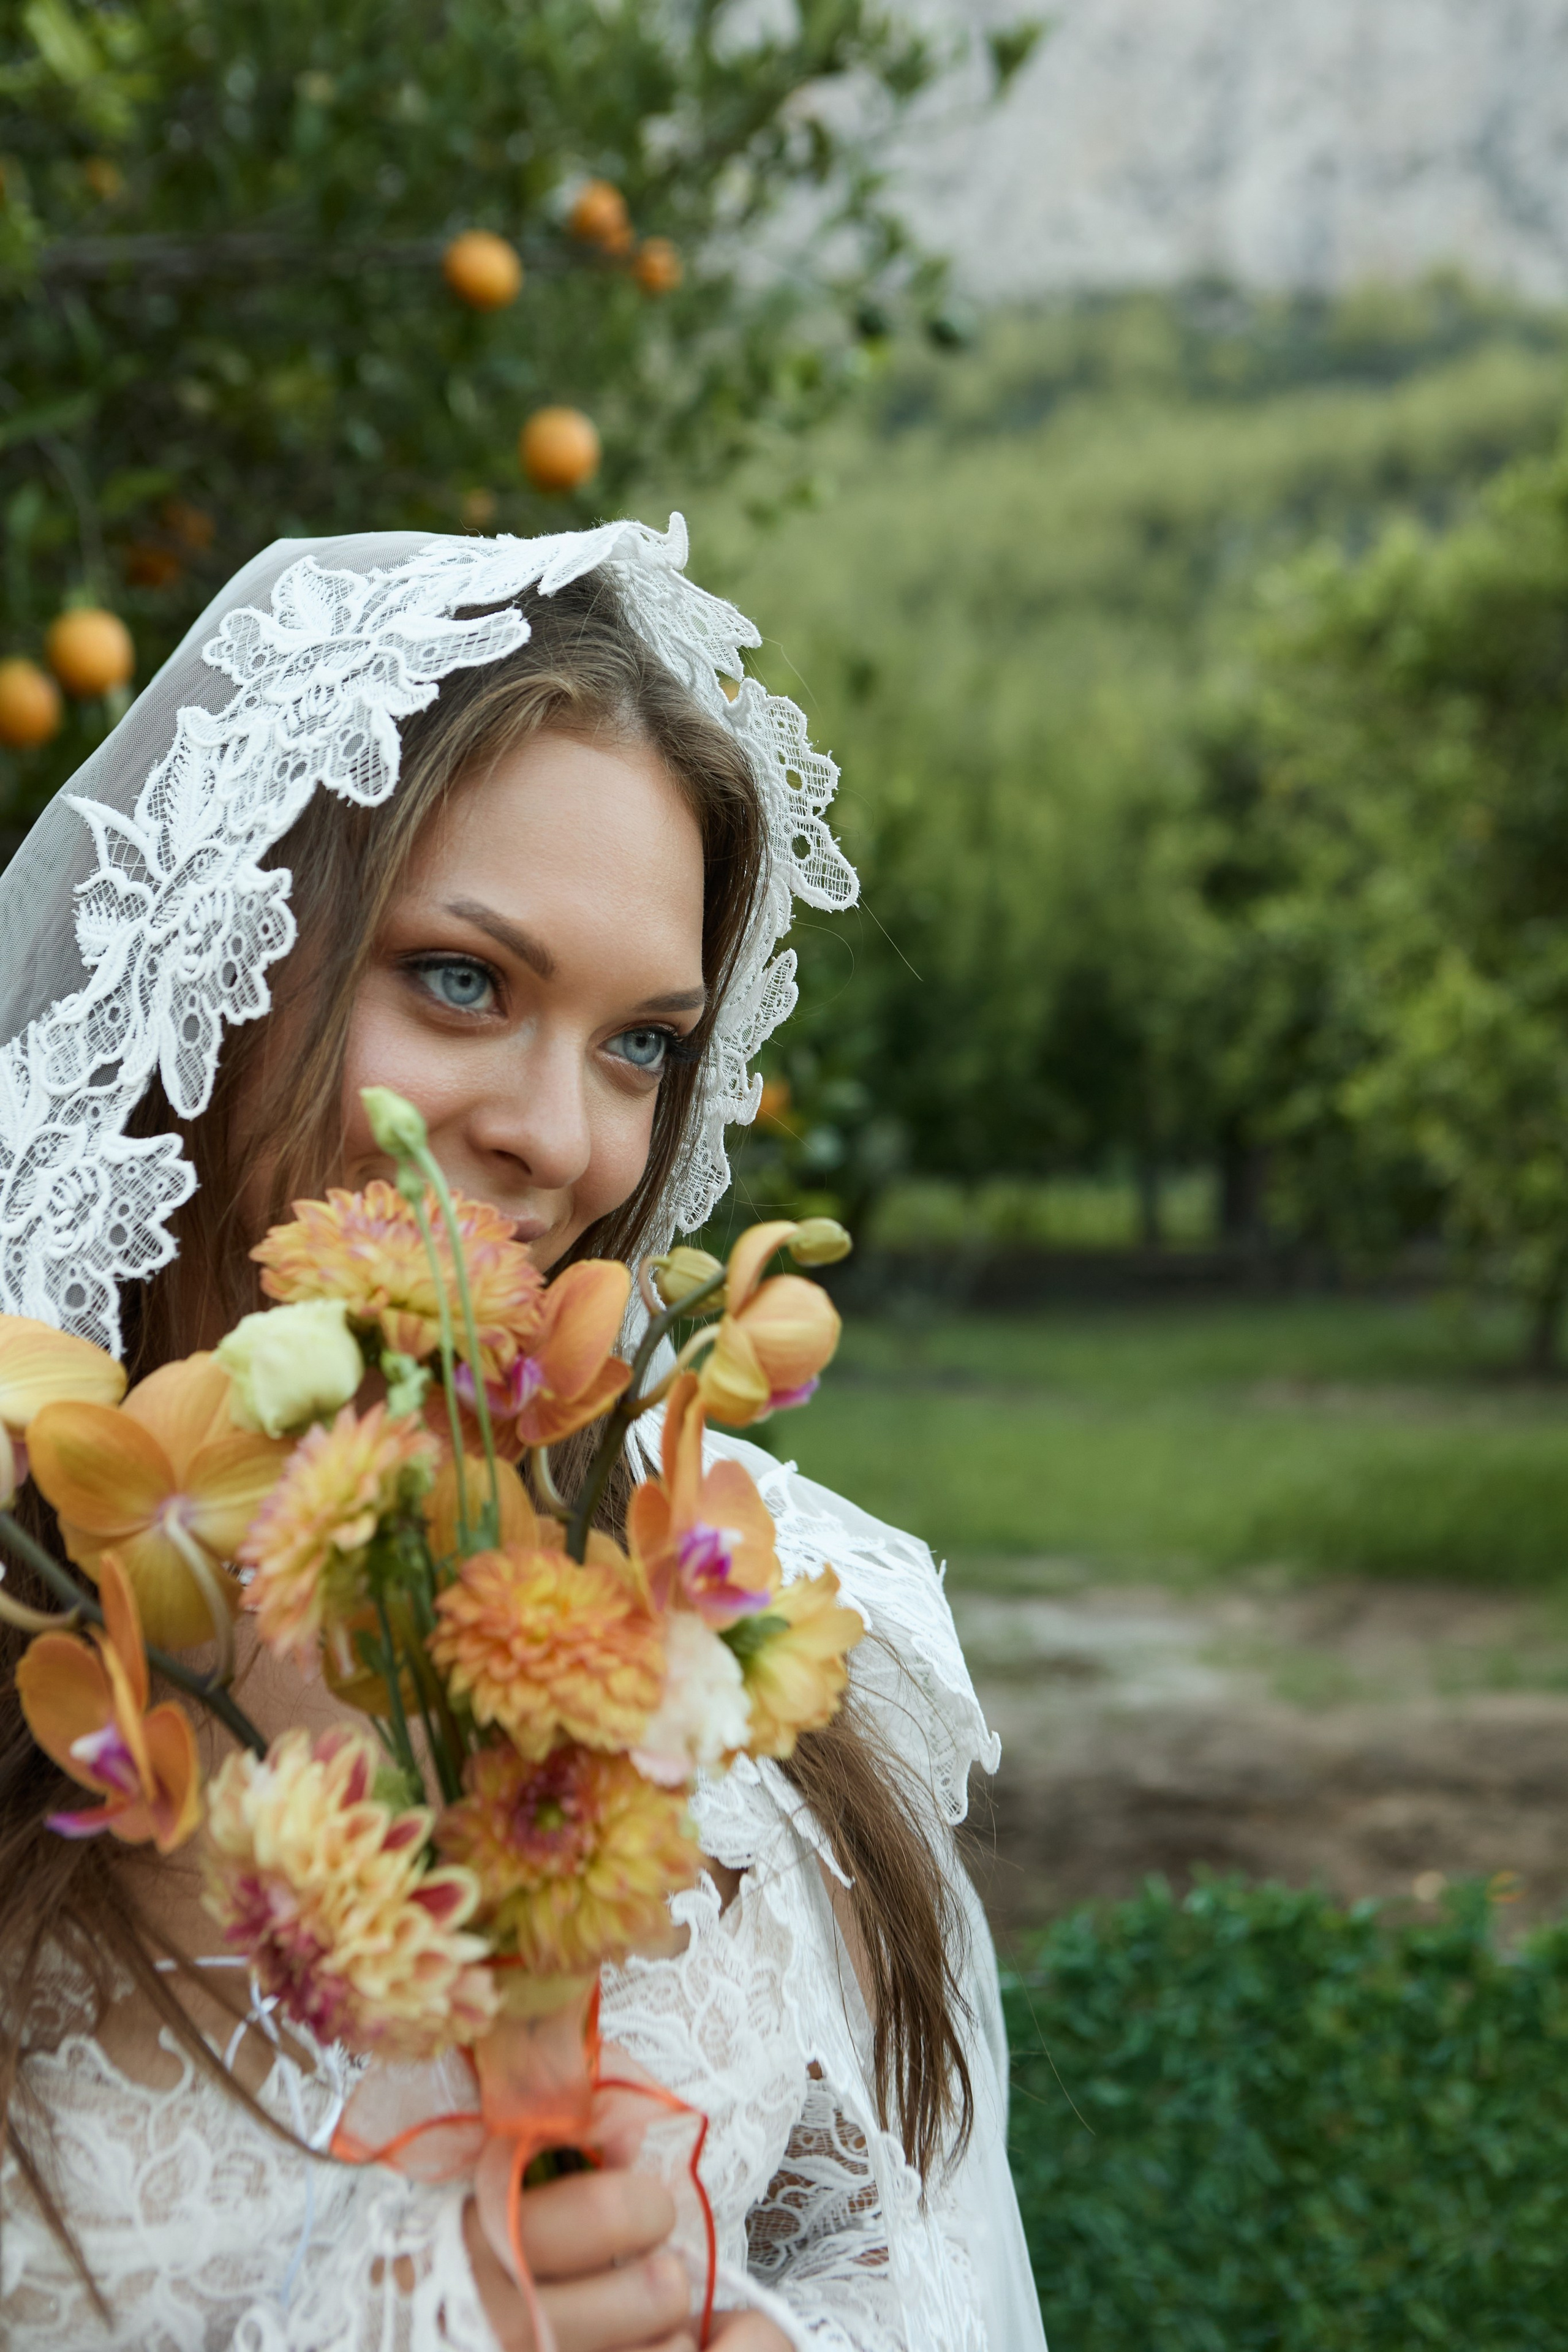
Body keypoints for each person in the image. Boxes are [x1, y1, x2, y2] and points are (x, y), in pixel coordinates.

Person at [0, 519, 1046, 2351]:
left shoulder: (752, 1621)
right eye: (464, 982)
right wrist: (414, 2313)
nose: (566, 1144)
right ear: (214, 969)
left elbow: (903, 2255)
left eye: (641, 1044)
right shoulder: (48, 1611)